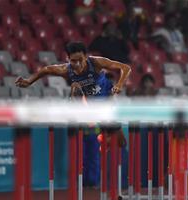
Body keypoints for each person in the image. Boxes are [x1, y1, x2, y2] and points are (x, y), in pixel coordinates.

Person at [15, 42, 132, 186]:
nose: (77, 64)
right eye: (73, 61)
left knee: (121, 143)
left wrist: (120, 84)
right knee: (75, 88)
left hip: (107, 105)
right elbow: (46, 70)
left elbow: (125, 68)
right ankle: (93, 128)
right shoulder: (66, 70)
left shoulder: (96, 62)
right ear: (68, 59)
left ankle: (105, 138)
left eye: (80, 60)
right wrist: (29, 81)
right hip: (90, 108)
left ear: (86, 57)